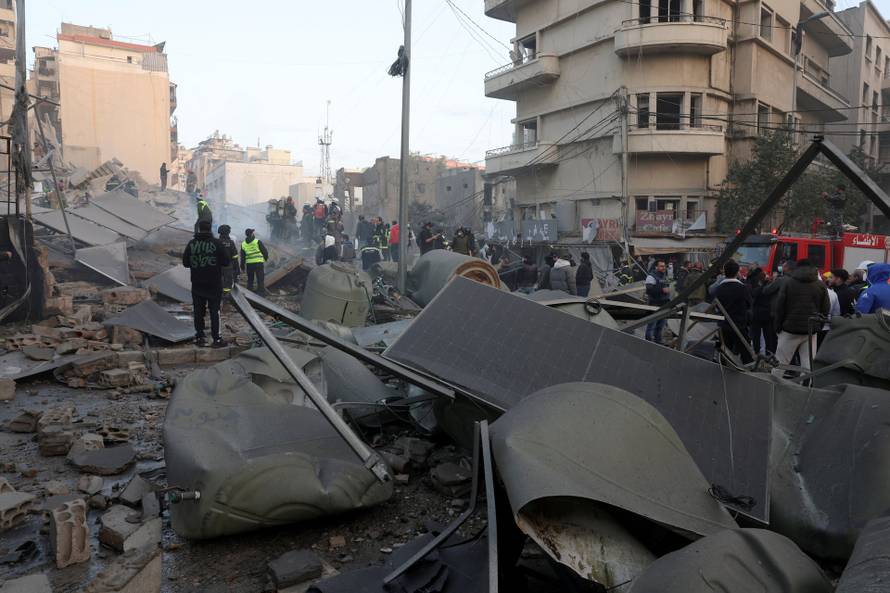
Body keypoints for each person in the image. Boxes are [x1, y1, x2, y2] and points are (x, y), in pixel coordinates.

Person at [771, 259, 830, 377]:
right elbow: (825, 308)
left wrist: (778, 327)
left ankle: (773, 387)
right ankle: (805, 389)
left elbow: (780, 307)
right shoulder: (820, 285)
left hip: (789, 330)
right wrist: (818, 326)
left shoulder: (789, 283)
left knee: (780, 363)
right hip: (810, 331)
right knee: (808, 366)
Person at [182, 220, 230, 348]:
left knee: (198, 311)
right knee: (215, 311)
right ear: (210, 229)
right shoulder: (217, 243)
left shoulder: (192, 244)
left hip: (197, 283)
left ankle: (200, 337)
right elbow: (226, 261)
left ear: (198, 229)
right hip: (214, 283)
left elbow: (185, 263)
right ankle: (217, 339)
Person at [713, 260, 753, 364]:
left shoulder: (719, 288)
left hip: (723, 325)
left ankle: (723, 372)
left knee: (725, 351)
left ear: (724, 272)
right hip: (739, 325)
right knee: (746, 353)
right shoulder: (742, 288)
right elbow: (749, 304)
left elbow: (716, 305)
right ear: (737, 272)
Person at [748, 268, 777, 355]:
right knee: (768, 336)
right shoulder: (769, 284)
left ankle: (757, 353)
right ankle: (769, 354)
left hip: (757, 313)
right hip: (767, 313)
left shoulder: (752, 282)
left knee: (756, 336)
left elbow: (753, 294)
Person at [645, 260, 671, 344]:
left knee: (660, 326)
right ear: (656, 267)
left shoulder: (664, 276)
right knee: (651, 325)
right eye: (661, 266)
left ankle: (658, 342)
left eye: (664, 266)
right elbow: (649, 290)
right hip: (654, 305)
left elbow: (667, 288)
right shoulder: (651, 277)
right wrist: (661, 290)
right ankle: (648, 343)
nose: (663, 268)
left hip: (664, 304)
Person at [240, 228, 269, 294]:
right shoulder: (257, 241)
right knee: (260, 279)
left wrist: (242, 266)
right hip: (259, 263)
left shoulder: (243, 244)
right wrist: (265, 259)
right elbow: (265, 252)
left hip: (249, 264)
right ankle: (261, 293)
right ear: (252, 234)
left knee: (250, 280)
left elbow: (242, 257)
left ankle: (249, 294)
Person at [216, 225, 239, 295]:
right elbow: (235, 256)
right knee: (228, 282)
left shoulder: (216, 242)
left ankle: (218, 294)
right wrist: (236, 267)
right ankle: (226, 295)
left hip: (217, 266)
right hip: (228, 266)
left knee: (217, 280)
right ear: (228, 232)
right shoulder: (231, 242)